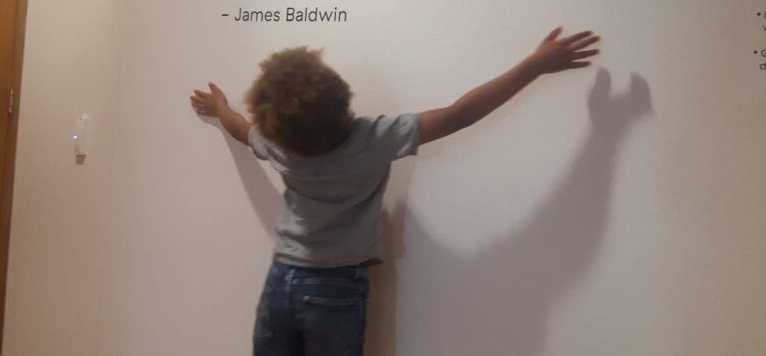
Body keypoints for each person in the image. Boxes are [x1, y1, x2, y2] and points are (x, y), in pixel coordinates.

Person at [190, 27, 600, 356]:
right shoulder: (373, 138)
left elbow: (241, 130)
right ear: (340, 98)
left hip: (282, 278)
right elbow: (459, 115)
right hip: (336, 288)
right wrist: (533, 66)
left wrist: (219, 107)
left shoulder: (276, 142)